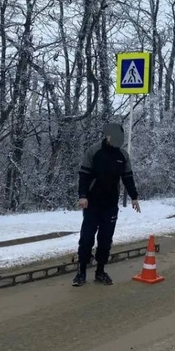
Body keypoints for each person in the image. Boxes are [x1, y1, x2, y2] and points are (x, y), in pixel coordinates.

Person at [72, 123, 141, 287]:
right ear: (107, 136)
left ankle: (100, 271)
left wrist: (134, 197)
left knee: (105, 240)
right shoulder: (94, 151)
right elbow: (84, 175)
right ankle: (81, 272)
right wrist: (82, 196)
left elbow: (128, 177)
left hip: (110, 204)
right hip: (92, 203)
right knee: (87, 238)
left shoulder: (123, 155)